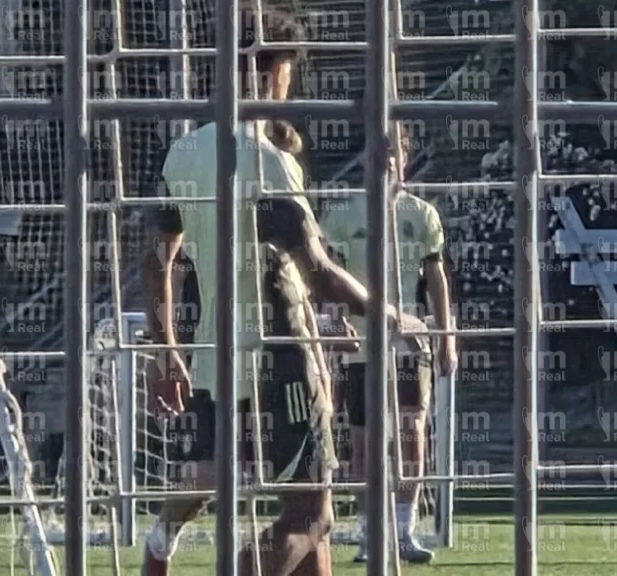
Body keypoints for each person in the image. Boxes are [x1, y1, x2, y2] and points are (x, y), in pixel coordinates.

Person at [139, 5, 427, 575]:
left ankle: (157, 547)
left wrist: (165, 344)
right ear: (273, 71)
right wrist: (392, 315)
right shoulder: (270, 162)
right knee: (312, 514)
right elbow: (316, 270)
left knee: (217, 484)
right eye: (289, 69)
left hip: (213, 355)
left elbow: (157, 259)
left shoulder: (184, 152)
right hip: (282, 355)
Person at [320, 133, 458, 564]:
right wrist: (334, 317)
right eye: (379, 153)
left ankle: (403, 528)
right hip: (360, 344)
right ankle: (369, 533)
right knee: (363, 444)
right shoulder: (342, 213)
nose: (387, 161)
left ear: (405, 156)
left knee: (412, 432)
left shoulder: (421, 214)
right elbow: (324, 270)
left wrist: (446, 335)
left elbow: (436, 279)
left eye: (395, 153)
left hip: (409, 342)